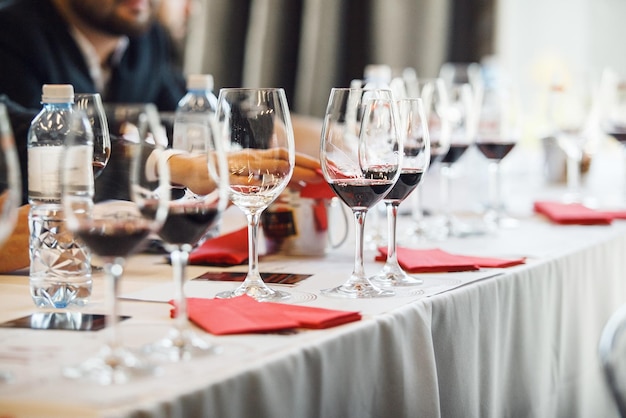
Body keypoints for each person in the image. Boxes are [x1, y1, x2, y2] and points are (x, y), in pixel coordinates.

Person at [0, 0, 322, 272]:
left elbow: (192, 116)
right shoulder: (12, 35)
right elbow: (36, 145)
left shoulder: (146, 39)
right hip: (50, 265)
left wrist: (321, 136)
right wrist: (183, 167)